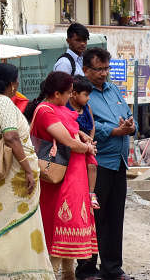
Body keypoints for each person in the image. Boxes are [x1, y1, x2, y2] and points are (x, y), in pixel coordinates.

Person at [0, 62, 54, 279]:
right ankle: (19, 273)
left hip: (6, 179)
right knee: (17, 226)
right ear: (12, 84)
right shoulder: (4, 103)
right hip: (14, 179)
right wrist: (27, 168)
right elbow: (11, 136)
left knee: (13, 225)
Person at [24, 71, 98, 279]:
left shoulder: (56, 108)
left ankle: (67, 274)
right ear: (57, 93)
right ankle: (54, 274)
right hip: (61, 178)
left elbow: (72, 131)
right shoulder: (45, 110)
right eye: (68, 93)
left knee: (68, 229)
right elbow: (67, 141)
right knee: (59, 229)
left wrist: (82, 136)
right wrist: (87, 148)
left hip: (72, 176)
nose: (70, 98)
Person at [78, 47, 135, 280]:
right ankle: (87, 268)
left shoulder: (113, 90)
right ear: (86, 69)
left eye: (106, 68)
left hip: (119, 162)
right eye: (98, 69)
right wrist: (113, 130)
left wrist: (131, 126)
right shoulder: (82, 93)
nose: (103, 73)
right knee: (94, 217)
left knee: (115, 216)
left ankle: (112, 268)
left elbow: (128, 114)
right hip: (97, 164)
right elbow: (83, 124)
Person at [68, 76, 100, 209]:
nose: (88, 98)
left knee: (92, 164)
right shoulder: (67, 108)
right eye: (85, 95)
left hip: (87, 145)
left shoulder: (87, 108)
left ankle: (91, 192)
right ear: (74, 94)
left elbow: (92, 126)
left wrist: (90, 140)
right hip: (73, 145)